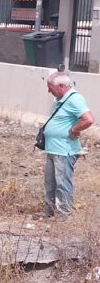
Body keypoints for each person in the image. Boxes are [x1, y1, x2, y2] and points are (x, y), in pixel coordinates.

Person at [40, 71, 94, 218]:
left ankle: (64, 214)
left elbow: (88, 119)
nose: (49, 90)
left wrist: (74, 129)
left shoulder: (75, 99)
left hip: (64, 150)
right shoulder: (61, 99)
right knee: (50, 182)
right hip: (53, 148)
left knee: (62, 183)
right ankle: (49, 211)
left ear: (62, 86)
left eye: (50, 87)